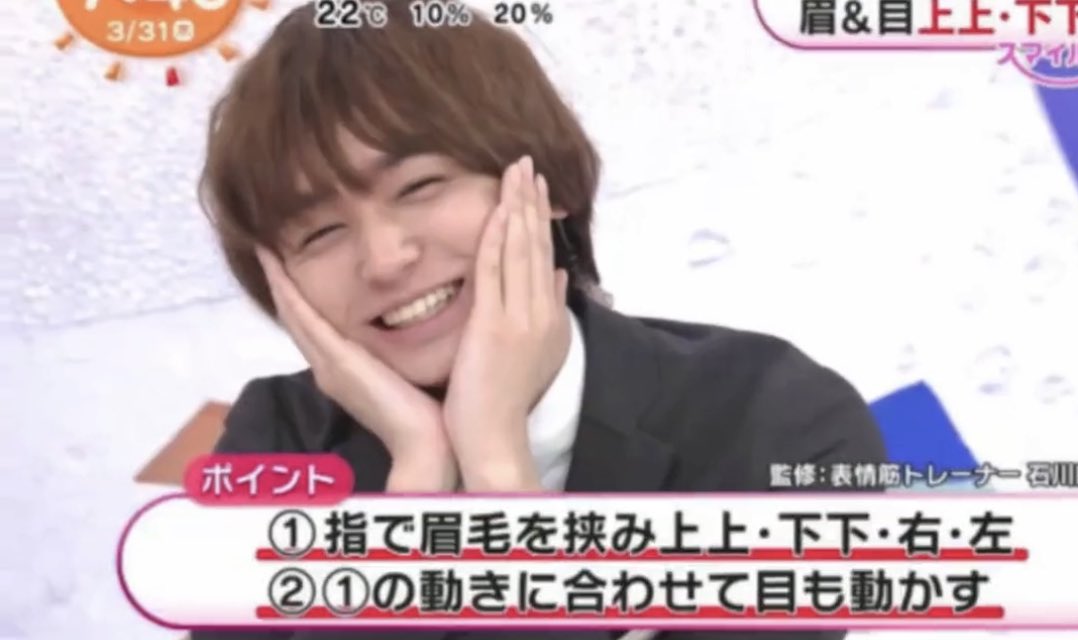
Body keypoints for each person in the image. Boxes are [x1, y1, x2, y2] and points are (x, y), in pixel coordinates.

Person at [194, 1, 887, 638]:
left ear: (549, 182)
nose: (383, 259)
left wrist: (497, 466)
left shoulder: (773, 418)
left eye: (420, 186)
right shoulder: (279, 446)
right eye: (320, 233)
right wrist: (414, 490)